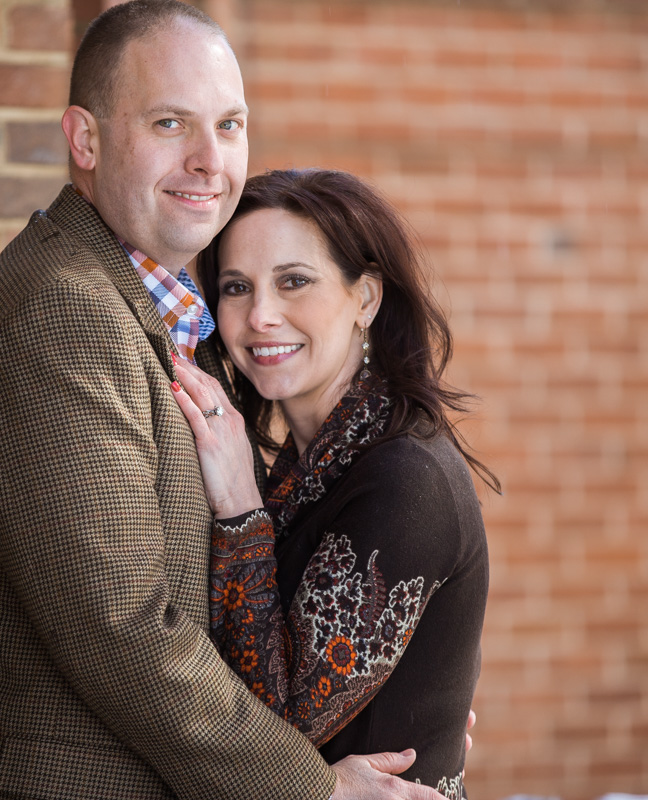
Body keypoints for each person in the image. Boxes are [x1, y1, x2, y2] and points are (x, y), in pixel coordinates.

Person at [0, 1, 451, 798]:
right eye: (171, 123)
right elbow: (128, 637)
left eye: (230, 126)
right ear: (86, 139)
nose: (211, 160)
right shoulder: (63, 317)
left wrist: (414, 706)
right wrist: (318, 790)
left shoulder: (165, 309)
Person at [170, 168, 496, 798]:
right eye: (237, 287)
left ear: (365, 300)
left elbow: (281, 726)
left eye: (295, 281)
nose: (261, 315)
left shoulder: (407, 478)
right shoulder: (310, 467)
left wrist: (239, 509)